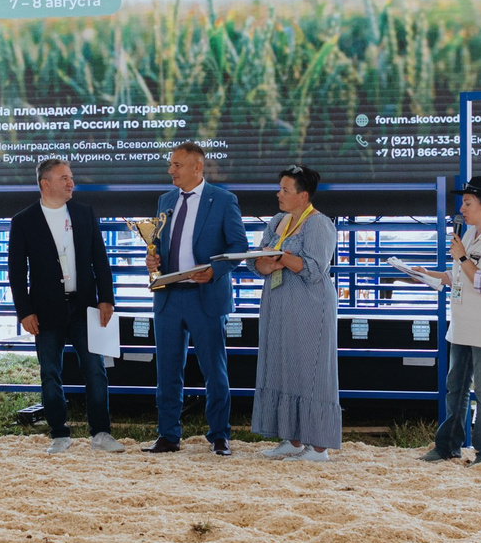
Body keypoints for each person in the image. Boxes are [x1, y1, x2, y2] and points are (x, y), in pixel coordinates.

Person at [5, 157, 119, 454]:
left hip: (85, 307)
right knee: (50, 372)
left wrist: (106, 298)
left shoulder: (84, 214)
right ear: (45, 184)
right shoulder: (23, 220)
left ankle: (101, 433)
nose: (71, 183)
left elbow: (100, 260)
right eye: (64, 178)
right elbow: (17, 272)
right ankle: (59, 433)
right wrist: (24, 311)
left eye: (71, 177)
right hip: (45, 310)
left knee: (95, 369)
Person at [146, 141, 250, 456]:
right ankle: (168, 435)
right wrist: (153, 260)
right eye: (170, 164)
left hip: (205, 297)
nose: (170, 171)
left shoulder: (223, 200)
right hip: (168, 297)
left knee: (214, 371)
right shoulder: (165, 200)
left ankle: (219, 436)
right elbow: (157, 245)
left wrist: (215, 270)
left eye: (177, 165)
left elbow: (239, 247)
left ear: (197, 166)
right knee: (167, 370)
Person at [421, 174, 481, 467]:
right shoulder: (470, 234)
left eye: (467, 202)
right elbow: (459, 278)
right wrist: (426, 275)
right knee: (456, 388)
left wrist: (463, 258)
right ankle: (448, 446)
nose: (462, 208)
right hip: (463, 324)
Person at [250, 165, 342, 462]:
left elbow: (315, 269)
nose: (279, 194)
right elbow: (257, 262)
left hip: (310, 305)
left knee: (310, 370)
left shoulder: (319, 224)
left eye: (285, 190)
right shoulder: (277, 220)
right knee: (282, 365)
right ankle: (292, 438)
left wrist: (281, 258)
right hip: (278, 304)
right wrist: (273, 262)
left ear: (303, 196)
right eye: (280, 188)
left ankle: (318, 447)